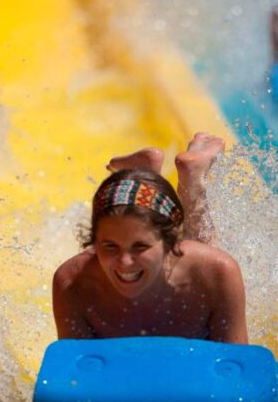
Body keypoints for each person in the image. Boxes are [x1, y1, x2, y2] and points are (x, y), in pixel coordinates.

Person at [52, 133, 248, 344]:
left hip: (193, 261)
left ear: (171, 241)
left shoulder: (218, 271)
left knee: (204, 245)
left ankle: (192, 179)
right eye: (110, 246)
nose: (125, 262)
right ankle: (144, 174)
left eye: (140, 246)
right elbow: (76, 373)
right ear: (94, 241)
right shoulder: (72, 283)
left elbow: (235, 365)